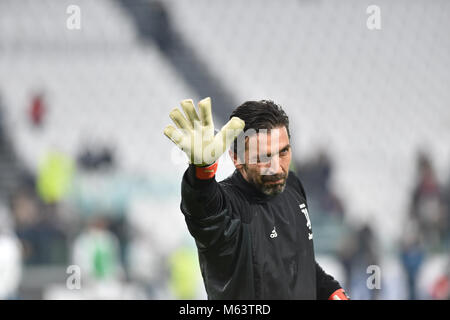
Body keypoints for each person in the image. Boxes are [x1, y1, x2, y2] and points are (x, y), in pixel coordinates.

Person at [163, 97, 349, 300]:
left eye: (283, 152)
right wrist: (202, 171)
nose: (277, 167)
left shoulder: (292, 187)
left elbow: (299, 263)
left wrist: (333, 293)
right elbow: (204, 209)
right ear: (237, 159)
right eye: (264, 156)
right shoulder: (229, 205)